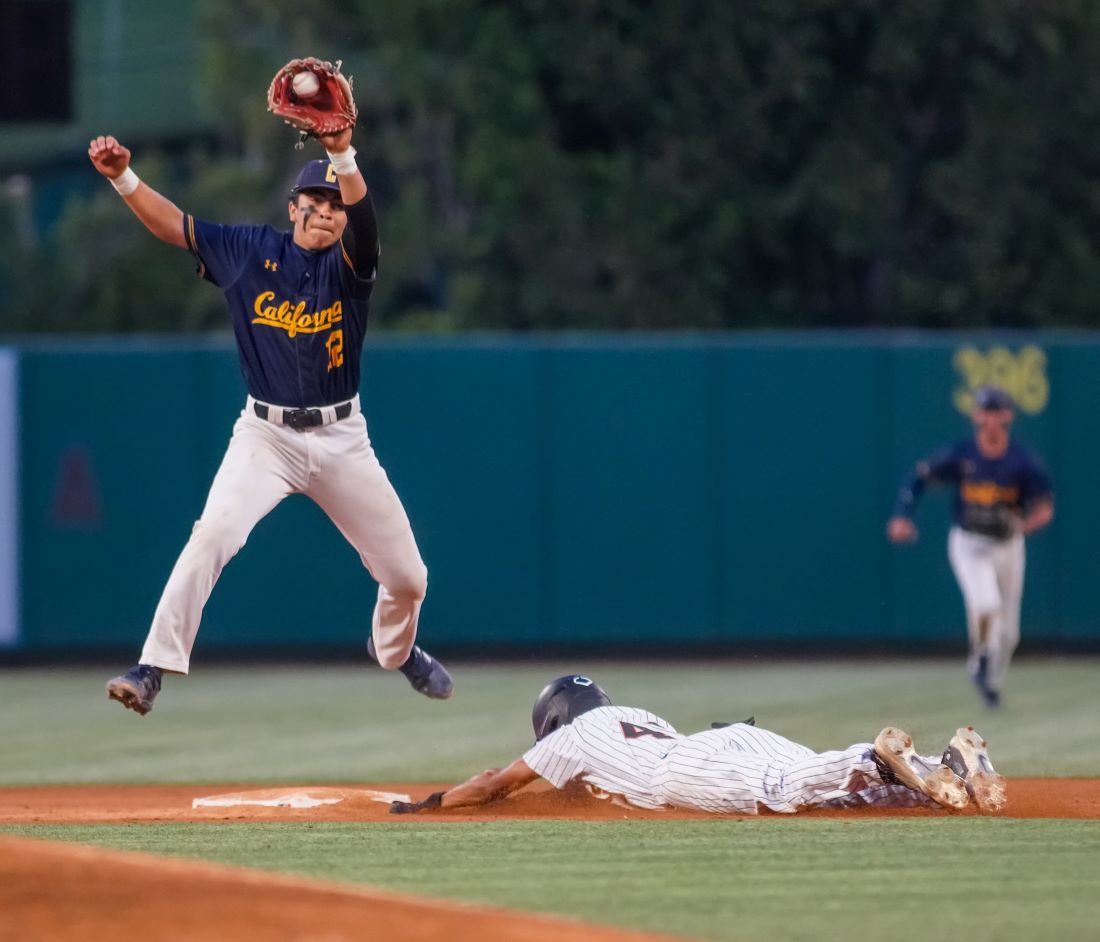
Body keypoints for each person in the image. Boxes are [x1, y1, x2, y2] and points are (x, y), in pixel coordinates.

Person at [87, 125, 453, 715]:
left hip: (341, 439)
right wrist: (123, 178)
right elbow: (174, 227)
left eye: (337, 206)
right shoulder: (246, 251)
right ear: (294, 207)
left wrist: (342, 153)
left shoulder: (351, 268)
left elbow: (367, 224)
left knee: (409, 579)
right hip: (266, 435)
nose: (328, 215)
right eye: (318, 203)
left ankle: (397, 651)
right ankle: (151, 667)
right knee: (212, 534)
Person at [388, 675, 1006, 816]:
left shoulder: (572, 737)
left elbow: (497, 782)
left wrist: (433, 803)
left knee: (784, 793)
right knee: (812, 782)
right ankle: (944, 770)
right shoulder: (629, 712)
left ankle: (874, 756)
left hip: (681, 767)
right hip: (726, 735)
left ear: (553, 720)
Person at [886, 386, 1054, 708]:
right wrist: (902, 516)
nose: (990, 418)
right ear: (977, 415)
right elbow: (918, 477)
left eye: (996, 411)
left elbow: (1044, 509)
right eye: (985, 411)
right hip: (970, 541)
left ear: (1008, 416)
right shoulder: (962, 455)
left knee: (1009, 636)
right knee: (986, 604)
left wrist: (1023, 525)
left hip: (1008, 544)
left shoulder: (1022, 462)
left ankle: (990, 682)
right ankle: (979, 660)